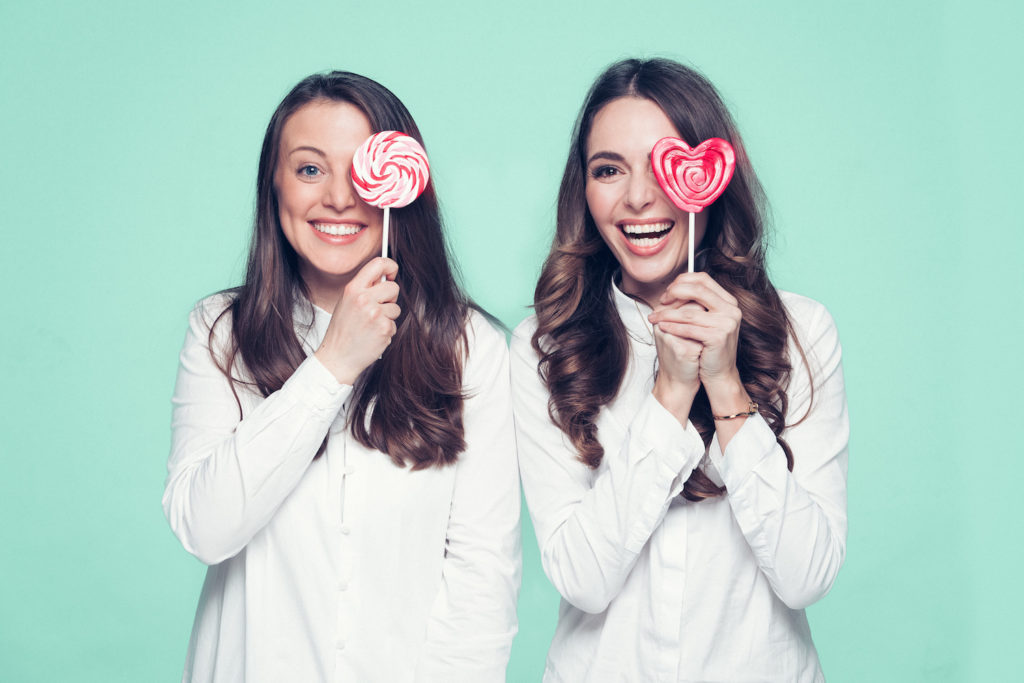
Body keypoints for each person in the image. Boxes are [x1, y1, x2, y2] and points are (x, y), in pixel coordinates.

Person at [163, 71, 520, 683]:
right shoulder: (220, 330)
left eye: (361, 170)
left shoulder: (470, 347)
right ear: (273, 185)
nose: (337, 198)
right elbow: (205, 527)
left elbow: (481, 579)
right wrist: (332, 364)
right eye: (309, 170)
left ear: (401, 184)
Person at [511, 58, 849, 682]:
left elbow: (807, 577)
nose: (638, 196)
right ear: (583, 191)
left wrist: (724, 383)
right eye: (608, 170)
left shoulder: (801, 332)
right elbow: (583, 580)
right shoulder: (545, 346)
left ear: (709, 178)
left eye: (664, 163)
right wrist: (669, 394)